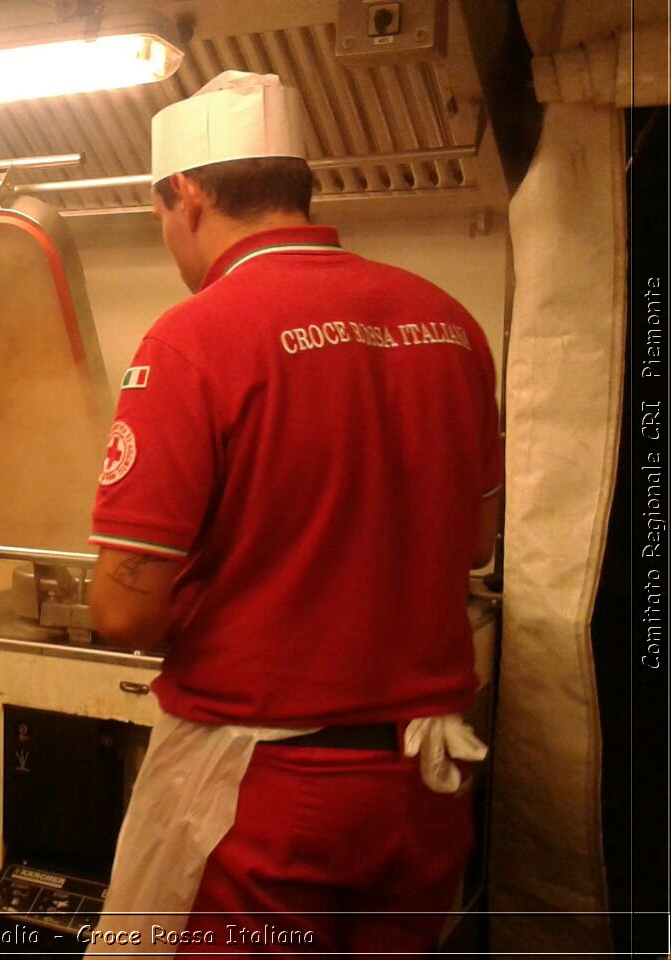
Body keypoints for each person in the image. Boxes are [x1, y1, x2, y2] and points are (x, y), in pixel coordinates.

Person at [85, 72, 502, 955]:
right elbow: (473, 545)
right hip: (424, 787)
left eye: (162, 218)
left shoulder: (194, 337)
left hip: (271, 790)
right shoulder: (451, 325)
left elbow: (121, 611)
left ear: (188, 197)